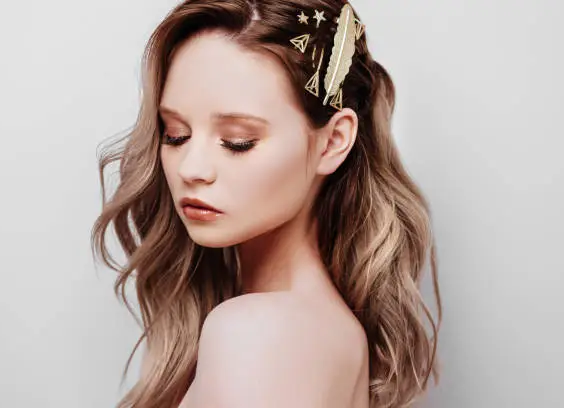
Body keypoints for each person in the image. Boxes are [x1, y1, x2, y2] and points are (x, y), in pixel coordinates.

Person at [91, 0, 442, 407]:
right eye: (175, 134)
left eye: (237, 141)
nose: (192, 168)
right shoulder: (328, 331)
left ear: (333, 141)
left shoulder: (257, 333)